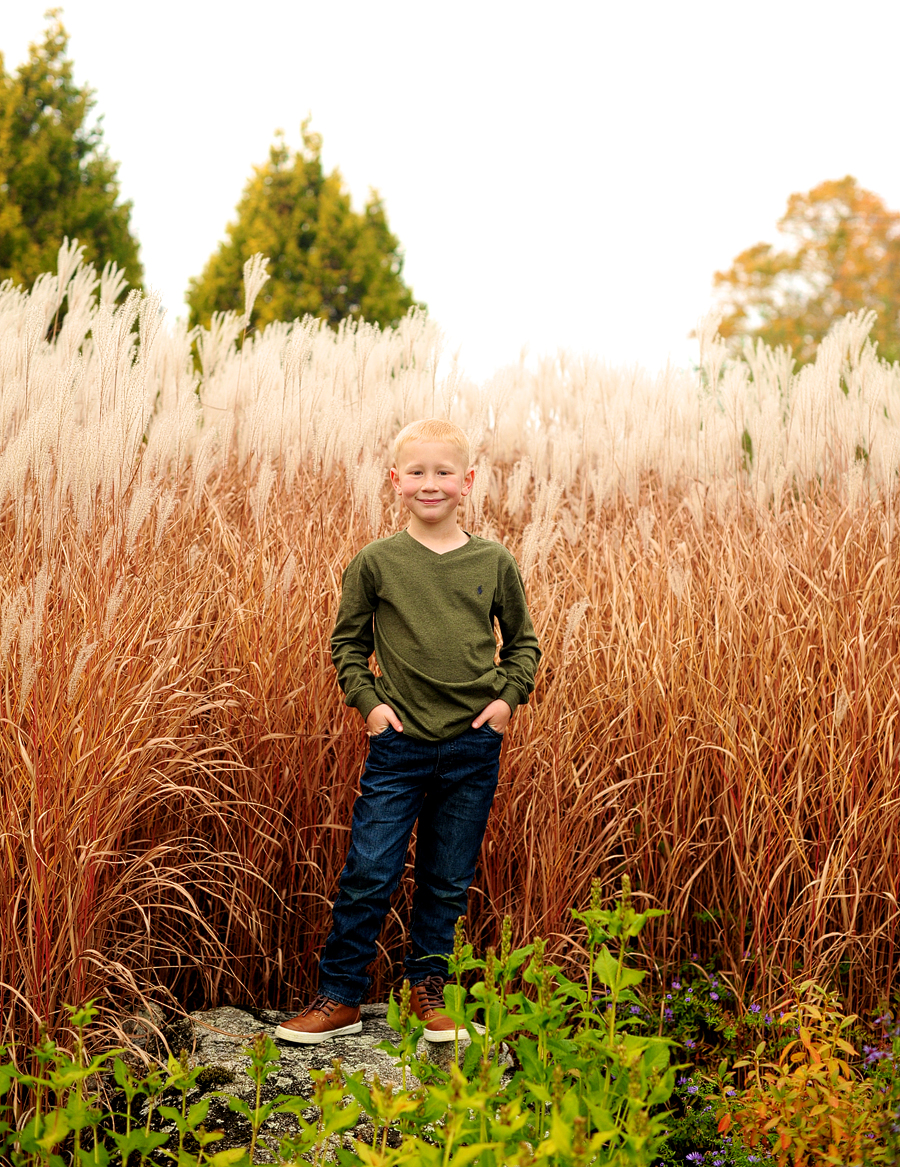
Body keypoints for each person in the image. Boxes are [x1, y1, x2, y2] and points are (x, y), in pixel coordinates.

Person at [274, 419, 541, 1044]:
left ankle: (428, 994)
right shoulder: (376, 562)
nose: (430, 484)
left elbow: (522, 642)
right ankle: (340, 997)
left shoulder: (493, 560)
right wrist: (367, 704)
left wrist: (506, 701)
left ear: (468, 481)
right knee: (369, 870)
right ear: (395, 481)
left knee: (447, 878)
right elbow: (347, 643)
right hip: (399, 745)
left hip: (474, 746)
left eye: (443, 472)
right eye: (416, 472)